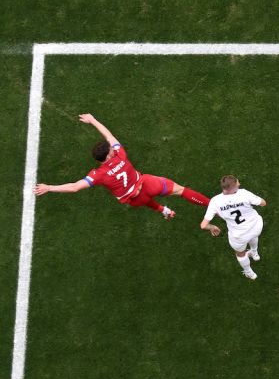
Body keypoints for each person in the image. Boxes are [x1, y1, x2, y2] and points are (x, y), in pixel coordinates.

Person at [33, 113, 211, 218]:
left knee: (143, 199)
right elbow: (109, 136)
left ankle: (164, 210)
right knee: (181, 190)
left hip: (134, 200)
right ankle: (213, 205)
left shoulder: (98, 174)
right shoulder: (120, 155)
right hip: (148, 184)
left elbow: (74, 187)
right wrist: (93, 120)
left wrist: (49, 187)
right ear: (109, 154)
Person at [200, 176, 266, 280]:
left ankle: (250, 273)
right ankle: (254, 253)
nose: (239, 184)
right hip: (256, 226)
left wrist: (212, 227)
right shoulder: (244, 193)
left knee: (240, 254)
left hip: (239, 236)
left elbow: (203, 225)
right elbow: (263, 203)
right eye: (237, 183)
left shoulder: (215, 201)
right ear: (233, 187)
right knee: (253, 236)